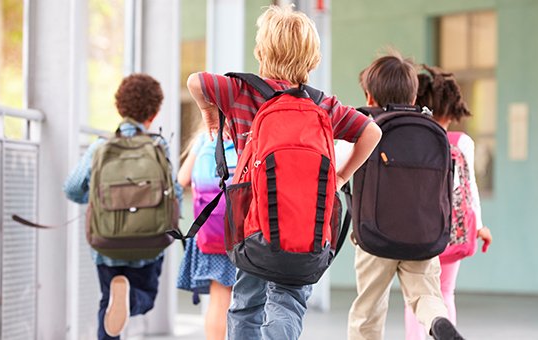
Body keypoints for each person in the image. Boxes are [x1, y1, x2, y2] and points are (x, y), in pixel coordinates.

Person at [186, 5, 381, 340]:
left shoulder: (239, 91)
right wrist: (340, 177)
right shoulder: (323, 106)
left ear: (260, 52)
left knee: (246, 306)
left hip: (253, 228)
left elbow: (196, 82)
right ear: (313, 59)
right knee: (287, 302)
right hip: (306, 230)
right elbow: (372, 133)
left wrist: (211, 117)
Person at [347, 53, 465, 340]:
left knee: (368, 311)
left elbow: (341, 167)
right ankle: (437, 319)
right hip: (423, 234)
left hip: (375, 235)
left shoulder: (366, 127)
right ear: (413, 97)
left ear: (369, 96)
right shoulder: (431, 130)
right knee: (425, 294)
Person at [63, 73, 181, 340]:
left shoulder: (100, 147)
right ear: (154, 111)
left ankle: (120, 299)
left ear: (119, 107)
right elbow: (174, 194)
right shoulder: (158, 146)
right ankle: (131, 301)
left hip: (107, 242)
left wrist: (98, 201)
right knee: (145, 298)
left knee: (108, 303)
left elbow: (71, 187)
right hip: (149, 242)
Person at [403, 65, 493, 340]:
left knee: (417, 296)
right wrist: (479, 226)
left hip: (417, 229)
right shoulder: (461, 142)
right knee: (445, 291)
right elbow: (469, 189)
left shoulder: (412, 139)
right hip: (452, 232)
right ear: (452, 109)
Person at [176, 123, 238, 340]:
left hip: (211, 232)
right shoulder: (249, 134)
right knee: (253, 300)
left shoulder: (204, 140)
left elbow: (182, 178)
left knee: (219, 299)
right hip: (245, 234)